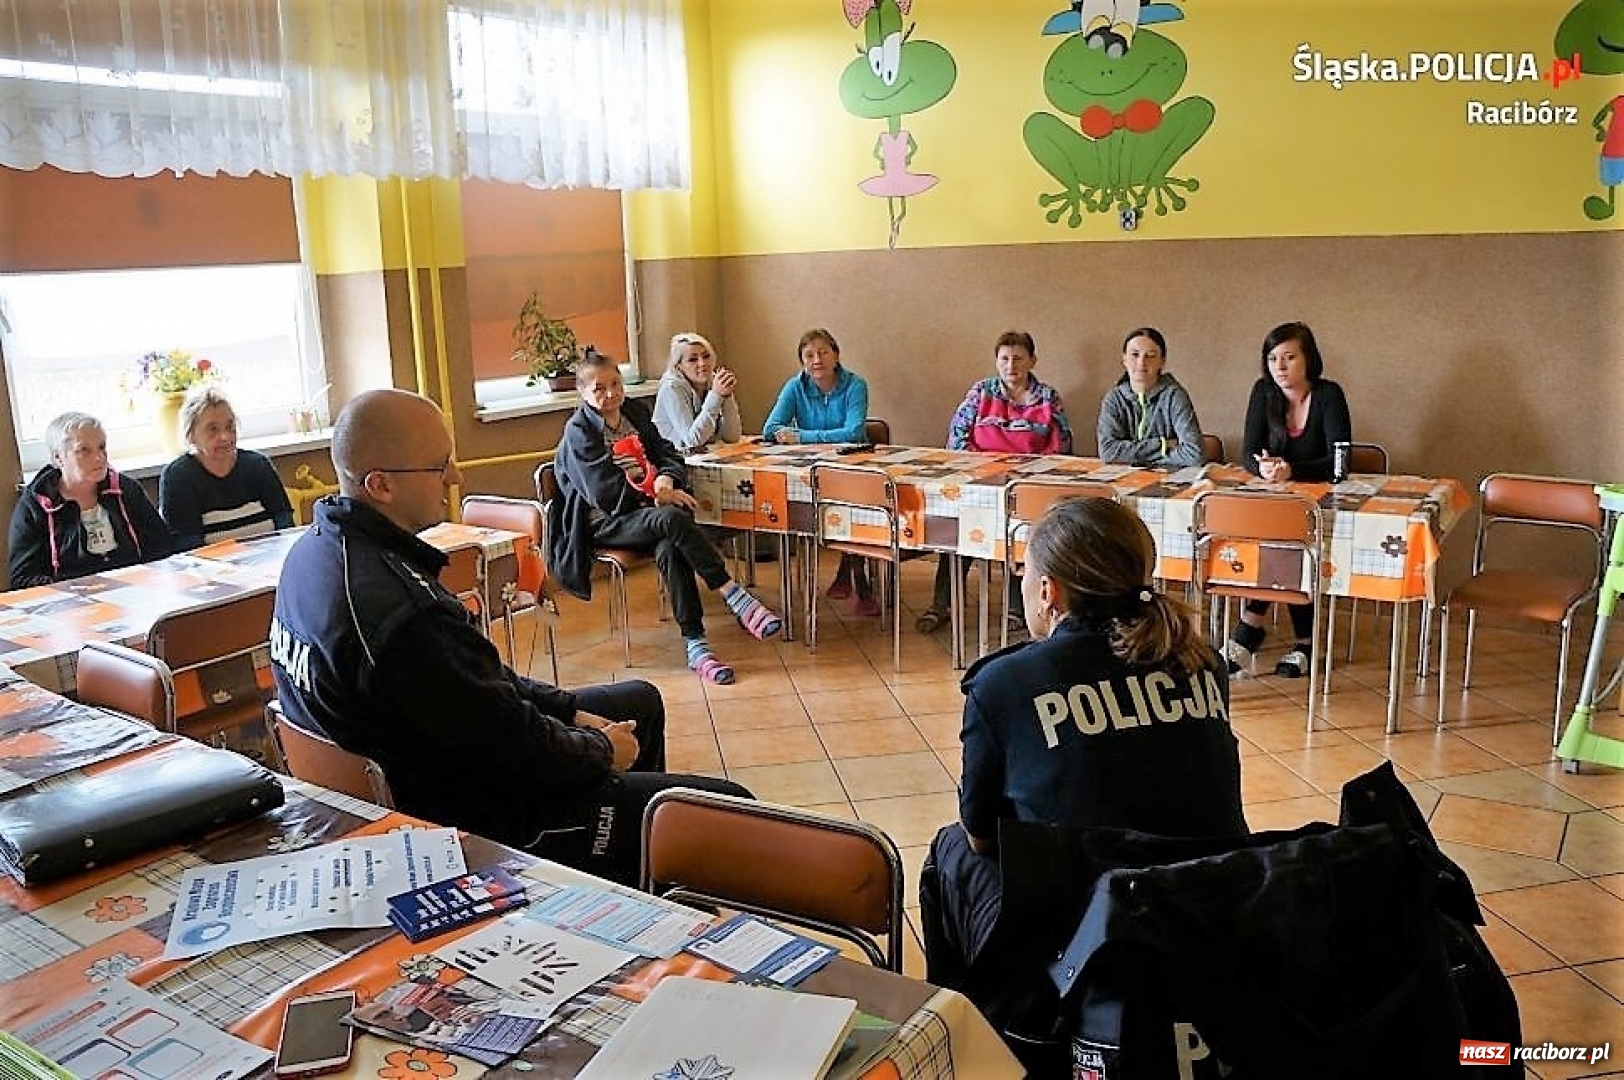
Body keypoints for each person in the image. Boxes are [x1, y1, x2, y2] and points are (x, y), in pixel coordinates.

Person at [267, 388, 750, 886]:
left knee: (640, 701)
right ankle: (618, 880)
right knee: (732, 813)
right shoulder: (401, 614)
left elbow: (481, 682)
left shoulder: (313, 554)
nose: (455, 476)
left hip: (422, 767)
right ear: (381, 485)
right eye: (440, 466)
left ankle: (629, 871)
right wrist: (599, 750)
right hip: (474, 820)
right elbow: (510, 746)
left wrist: (567, 709)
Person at [918, 496, 1245, 1028]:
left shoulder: (1004, 683)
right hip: (1203, 907)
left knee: (950, 848)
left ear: (1049, 591)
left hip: (1080, 938)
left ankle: (970, 1033)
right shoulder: (1201, 662)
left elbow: (981, 837)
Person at [550, 351, 784, 685]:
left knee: (669, 546)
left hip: (647, 512)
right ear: (583, 394)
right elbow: (604, 494)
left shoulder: (633, 412)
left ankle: (697, 646)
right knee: (671, 520)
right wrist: (657, 493)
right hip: (607, 520)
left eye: (615, 383)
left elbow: (668, 453)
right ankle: (735, 595)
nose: (610, 394)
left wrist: (667, 479)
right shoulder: (578, 432)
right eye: (599, 389)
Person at [915, 331, 1072, 635]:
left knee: (1020, 531)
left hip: (1026, 486)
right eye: (1004, 359)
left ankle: (1017, 609)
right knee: (955, 529)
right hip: (980, 482)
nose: (1011, 365)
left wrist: (1025, 472)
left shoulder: (1048, 398)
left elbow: (1061, 449)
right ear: (996, 361)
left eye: (1018, 358)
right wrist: (988, 468)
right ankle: (942, 604)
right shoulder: (981, 392)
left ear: (1032, 361)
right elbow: (956, 439)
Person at [1227, 320, 1352, 679]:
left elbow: (1340, 461)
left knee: (1295, 542)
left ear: (1308, 359)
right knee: (1274, 536)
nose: (1279, 367)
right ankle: (1295, 640)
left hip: (1318, 505)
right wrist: (1264, 468)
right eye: (1272, 359)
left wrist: (1292, 469)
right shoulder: (1262, 392)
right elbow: (1247, 453)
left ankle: (1257, 629)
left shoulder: (1329, 395)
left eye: (1289, 357)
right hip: (1275, 503)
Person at [761, 328, 877, 614]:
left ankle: (859, 579)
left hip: (853, 466)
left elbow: (852, 432)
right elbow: (770, 429)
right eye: (809, 355)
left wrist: (802, 437)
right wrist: (811, 438)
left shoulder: (855, 385)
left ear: (836, 355)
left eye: (823, 352)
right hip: (810, 471)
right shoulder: (795, 387)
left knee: (853, 508)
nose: (817, 360)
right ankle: (848, 571)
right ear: (802, 361)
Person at [8, 411, 174, 588]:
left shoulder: (125, 490)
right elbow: (23, 579)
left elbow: (163, 548)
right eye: (83, 450)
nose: (99, 458)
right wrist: (76, 589)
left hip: (135, 587)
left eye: (102, 447)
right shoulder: (36, 506)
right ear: (59, 458)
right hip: (73, 601)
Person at [159, 386, 295, 549]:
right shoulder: (178, 477)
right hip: (210, 571)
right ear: (191, 435)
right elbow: (188, 546)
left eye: (230, 427)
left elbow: (285, 523)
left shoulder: (258, 465)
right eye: (213, 430)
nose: (225, 437)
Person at [1096, 326, 1205, 468]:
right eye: (1135, 354)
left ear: (1162, 362)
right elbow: (1108, 453)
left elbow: (1194, 454)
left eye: (1151, 355)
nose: (1141, 362)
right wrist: (1165, 445)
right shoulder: (1114, 399)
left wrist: (1132, 457)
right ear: (1124, 359)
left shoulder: (1174, 396)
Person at [651, 332, 742, 453]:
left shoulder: (714, 381)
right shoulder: (671, 387)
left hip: (705, 454)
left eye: (706, 356)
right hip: (674, 458)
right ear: (679, 366)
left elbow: (732, 437)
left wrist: (727, 396)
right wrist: (716, 396)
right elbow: (692, 441)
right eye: (692, 359)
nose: (702, 364)